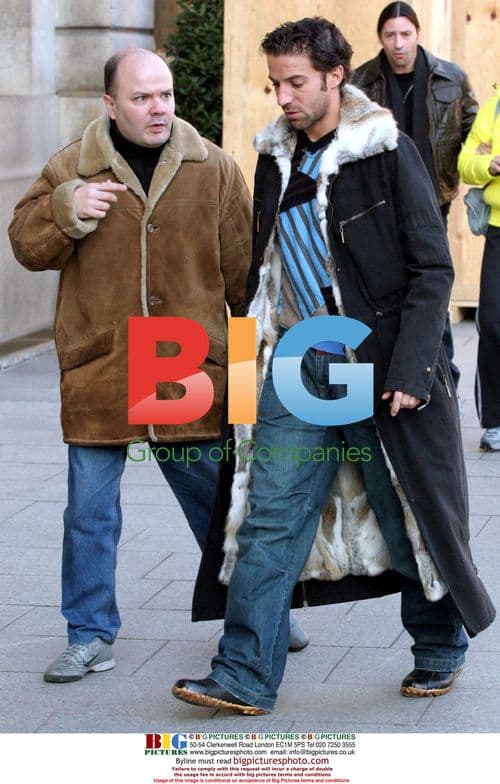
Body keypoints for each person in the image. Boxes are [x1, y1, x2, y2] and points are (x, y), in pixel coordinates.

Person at [171, 17, 495, 716]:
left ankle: (439, 645)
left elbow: (432, 269)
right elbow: (261, 273)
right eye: (275, 84)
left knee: (404, 513)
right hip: (294, 363)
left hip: (374, 368)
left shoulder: (385, 151)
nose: (283, 97)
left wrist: (410, 371)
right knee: (268, 517)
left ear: (334, 76)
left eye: (296, 82)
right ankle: (243, 675)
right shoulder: (272, 158)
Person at [8, 47, 265, 683]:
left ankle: (259, 611)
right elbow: (25, 244)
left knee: (218, 508)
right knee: (89, 515)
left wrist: (243, 386)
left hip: (185, 371)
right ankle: (90, 634)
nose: (158, 108)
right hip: (104, 369)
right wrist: (66, 208)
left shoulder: (215, 170)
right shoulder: (73, 165)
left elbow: (244, 284)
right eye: (143, 97)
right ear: (111, 104)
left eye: (166, 95)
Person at [352, 1, 479, 389]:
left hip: (431, 201)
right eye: (390, 35)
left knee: (430, 288)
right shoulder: (362, 81)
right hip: (379, 203)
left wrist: (477, 163)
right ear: (380, 38)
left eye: (405, 34)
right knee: (385, 289)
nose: (398, 43)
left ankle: (443, 378)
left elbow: (473, 131)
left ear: (418, 34)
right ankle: (392, 377)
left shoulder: (450, 78)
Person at [458, 86, 500, 450]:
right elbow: (465, 162)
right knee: (492, 322)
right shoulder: (494, 108)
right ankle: (495, 421)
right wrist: (490, 164)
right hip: (499, 232)